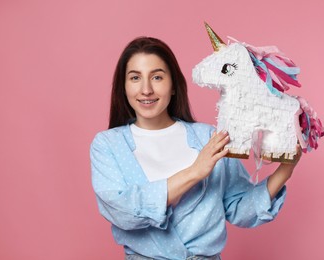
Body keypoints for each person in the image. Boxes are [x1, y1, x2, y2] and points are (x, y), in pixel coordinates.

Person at [90, 36, 301, 260]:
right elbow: (123, 211)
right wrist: (195, 172)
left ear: (173, 86)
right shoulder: (107, 145)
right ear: (123, 87)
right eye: (135, 78)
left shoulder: (210, 137)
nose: (146, 89)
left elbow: (239, 208)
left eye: (157, 77)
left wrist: (285, 170)